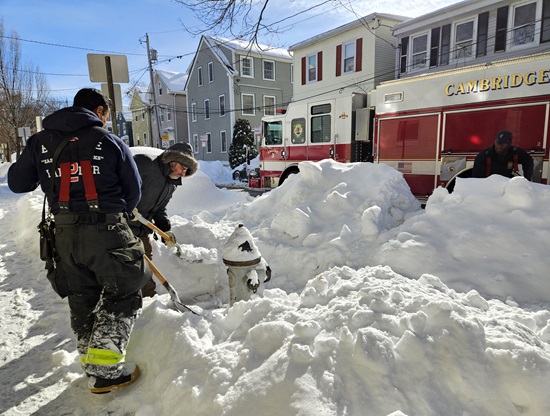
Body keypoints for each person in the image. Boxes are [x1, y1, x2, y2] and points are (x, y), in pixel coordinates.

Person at [8, 88, 151, 394]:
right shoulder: (110, 141)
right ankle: (105, 372)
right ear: (100, 111)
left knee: (82, 295)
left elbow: (18, 183)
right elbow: (134, 190)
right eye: (107, 114)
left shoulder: (39, 142)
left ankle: (91, 362)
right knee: (124, 289)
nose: (107, 120)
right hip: (107, 231)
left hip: (64, 235)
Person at [130, 142, 199, 297]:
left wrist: (165, 229)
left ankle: (150, 305)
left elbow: (159, 210)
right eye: (183, 168)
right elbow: (117, 183)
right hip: (120, 227)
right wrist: (126, 206)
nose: (183, 173)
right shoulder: (144, 164)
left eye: (187, 171)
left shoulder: (170, 184)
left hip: (141, 230)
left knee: (145, 269)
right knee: (126, 269)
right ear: (173, 161)